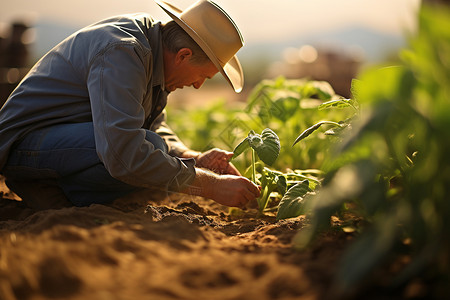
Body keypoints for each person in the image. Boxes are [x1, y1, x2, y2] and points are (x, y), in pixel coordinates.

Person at [0, 0, 260, 210]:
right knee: (147, 157)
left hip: (60, 140)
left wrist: (194, 159)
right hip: (20, 144)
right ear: (184, 56)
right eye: (203, 76)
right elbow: (123, 154)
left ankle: (57, 188)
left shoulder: (155, 53)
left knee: (160, 160)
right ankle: (43, 185)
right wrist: (210, 186)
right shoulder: (124, 52)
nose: (198, 86)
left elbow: (154, 125)